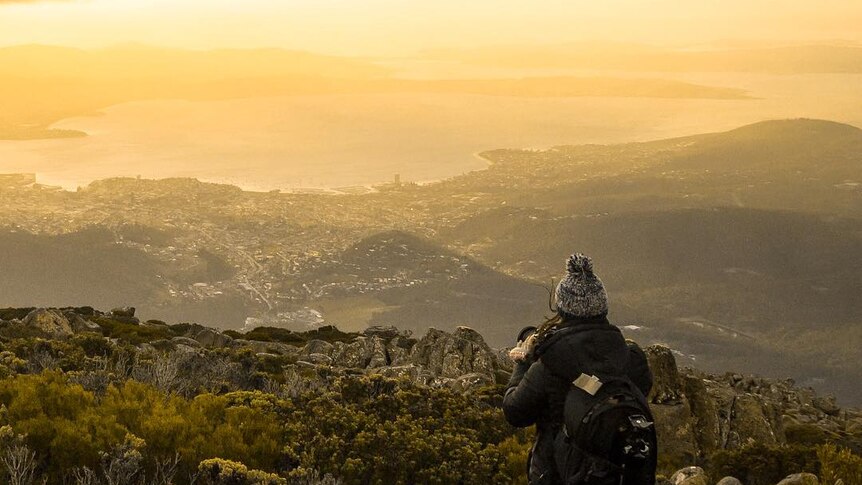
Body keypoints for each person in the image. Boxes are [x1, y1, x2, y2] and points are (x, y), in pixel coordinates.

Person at [503, 253, 655, 485]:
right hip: (620, 473)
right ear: (602, 308)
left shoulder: (549, 365)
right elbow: (640, 389)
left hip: (558, 473)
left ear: (563, 310)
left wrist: (523, 362)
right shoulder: (631, 358)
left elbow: (515, 412)